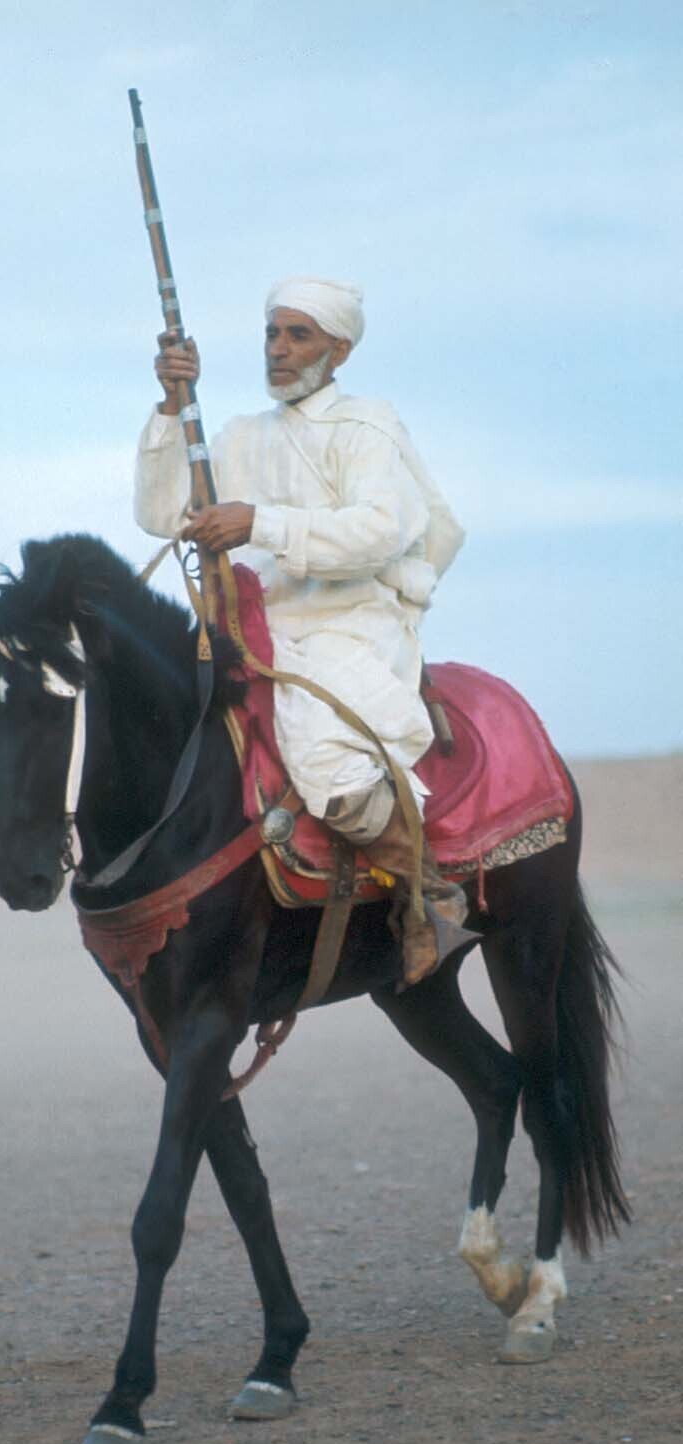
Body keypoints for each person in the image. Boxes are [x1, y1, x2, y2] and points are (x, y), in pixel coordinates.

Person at [133, 275, 474, 985]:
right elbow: (163, 514)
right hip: (254, 629)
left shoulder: (367, 427)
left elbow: (378, 533)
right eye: (272, 333)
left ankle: (428, 893)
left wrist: (260, 523)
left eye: (299, 335)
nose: (279, 349)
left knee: (328, 765)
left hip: (350, 625)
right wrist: (171, 406)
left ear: (338, 350)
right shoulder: (239, 436)